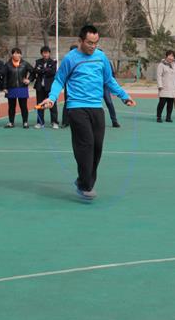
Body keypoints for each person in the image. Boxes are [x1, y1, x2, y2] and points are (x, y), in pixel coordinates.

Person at [41, 24, 136, 200]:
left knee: (97, 147)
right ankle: (85, 185)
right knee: (86, 144)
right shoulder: (70, 58)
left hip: (96, 107)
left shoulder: (101, 57)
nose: (93, 46)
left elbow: (109, 80)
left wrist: (124, 96)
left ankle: (83, 181)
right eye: (89, 43)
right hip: (76, 107)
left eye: (96, 43)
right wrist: (52, 98)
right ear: (80, 41)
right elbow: (59, 80)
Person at [2, 48, 35, 129]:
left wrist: (29, 80)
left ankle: (25, 122)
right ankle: (11, 122)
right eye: (14, 53)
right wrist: (4, 87)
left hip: (22, 88)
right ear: (12, 54)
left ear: (20, 54)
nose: (16, 55)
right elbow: (5, 77)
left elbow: (33, 72)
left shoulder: (25, 63)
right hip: (11, 88)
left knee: (23, 106)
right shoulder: (7, 64)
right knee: (11, 106)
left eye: (18, 53)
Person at [32, 46, 59, 129]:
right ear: (41, 53)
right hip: (40, 87)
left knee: (52, 105)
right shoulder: (38, 61)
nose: (45, 54)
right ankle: (40, 122)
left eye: (47, 53)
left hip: (50, 87)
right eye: (44, 53)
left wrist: (42, 70)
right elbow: (36, 70)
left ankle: (54, 122)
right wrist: (46, 70)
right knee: (40, 104)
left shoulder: (53, 62)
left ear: (49, 53)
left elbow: (52, 72)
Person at [156, 50, 175, 123]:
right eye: (170, 55)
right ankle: (159, 117)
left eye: (173, 56)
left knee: (170, 103)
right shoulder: (161, 65)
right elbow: (159, 76)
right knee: (162, 103)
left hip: (173, 87)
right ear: (166, 56)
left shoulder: (174, 65)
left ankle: (168, 117)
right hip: (164, 87)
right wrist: (160, 85)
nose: (171, 57)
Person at [60, 44, 78, 128]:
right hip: (69, 86)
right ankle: (65, 121)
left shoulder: (81, 61)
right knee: (67, 103)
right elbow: (62, 74)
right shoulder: (67, 61)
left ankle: (76, 121)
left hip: (79, 86)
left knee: (78, 104)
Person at [103, 58, 121, 128]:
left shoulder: (107, 62)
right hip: (96, 86)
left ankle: (114, 121)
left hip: (105, 86)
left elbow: (112, 75)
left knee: (109, 102)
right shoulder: (91, 62)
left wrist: (112, 88)